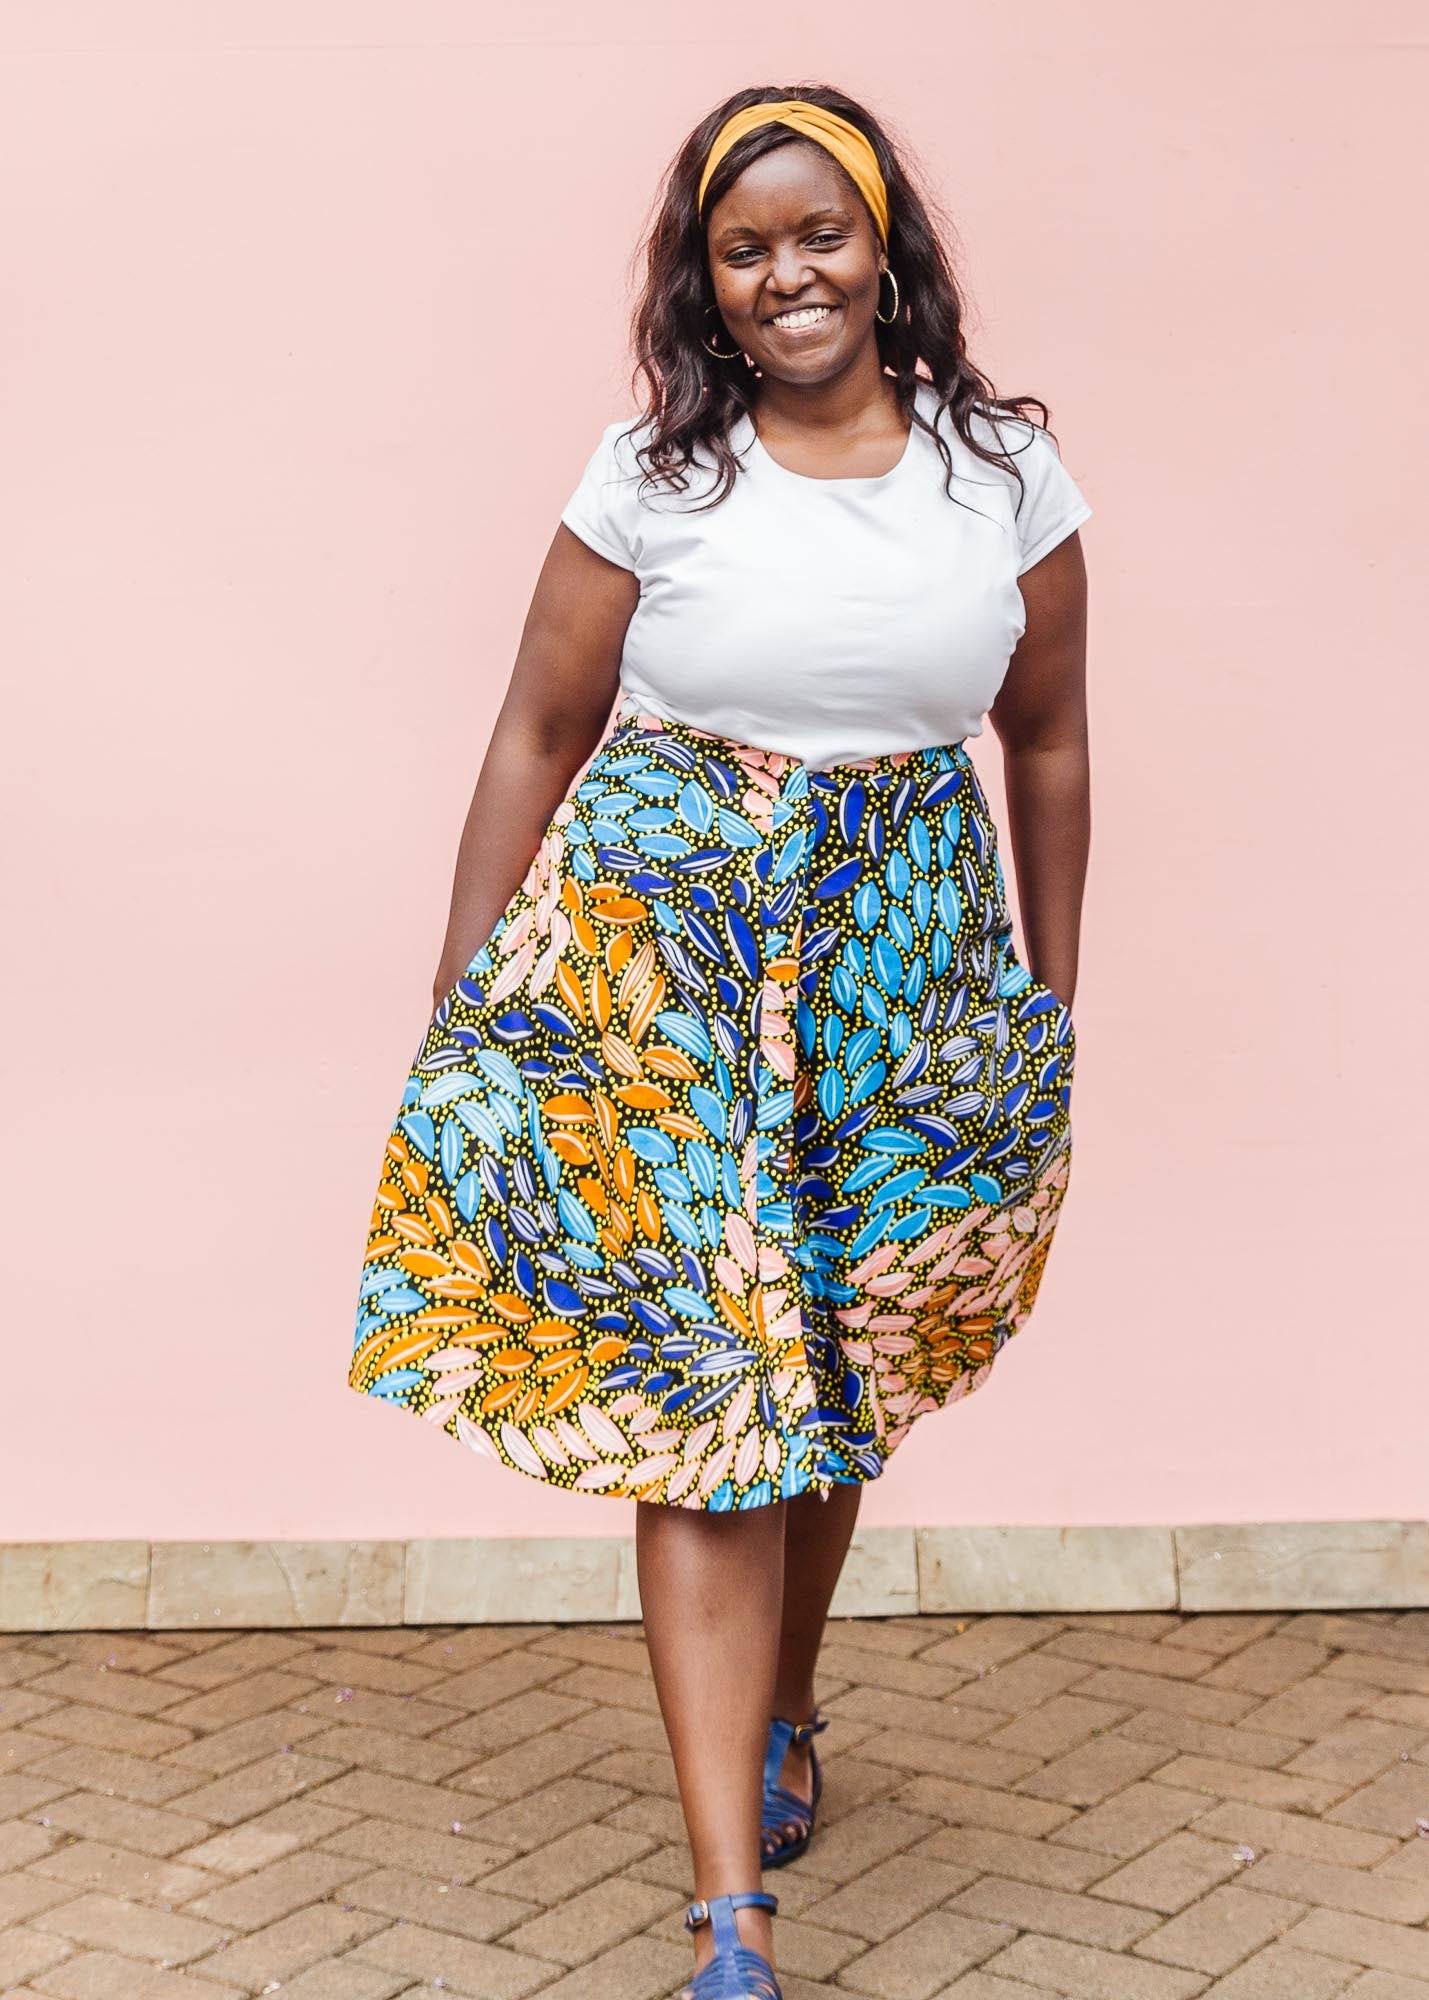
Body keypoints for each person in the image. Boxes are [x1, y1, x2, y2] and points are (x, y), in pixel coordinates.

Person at [349, 83, 1091, 2000]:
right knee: (707, 1413)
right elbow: (537, 729)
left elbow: (1049, 742)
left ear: (884, 249)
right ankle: (726, 1922)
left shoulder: (1000, 476)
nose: (786, 276)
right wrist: (464, 995)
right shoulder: (650, 480)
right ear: (704, 282)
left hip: (908, 966)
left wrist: (1049, 1007)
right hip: (662, 965)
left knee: (835, 1373)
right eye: (741, 249)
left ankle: (788, 1706)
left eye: (817, 235)